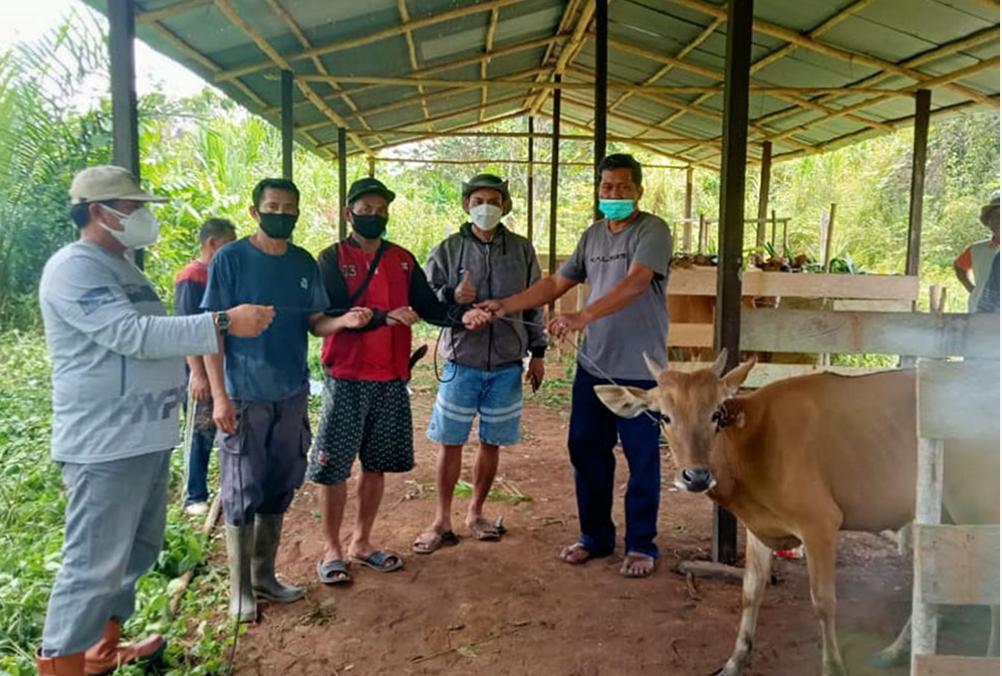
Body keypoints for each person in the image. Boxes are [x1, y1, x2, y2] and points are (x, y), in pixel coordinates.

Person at [35, 165, 274, 675]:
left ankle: (102, 650)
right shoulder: (75, 267)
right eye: (134, 207)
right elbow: (133, 335)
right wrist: (224, 321)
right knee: (92, 564)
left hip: (143, 436)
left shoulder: (124, 266)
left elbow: (151, 334)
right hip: (104, 442)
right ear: (100, 211)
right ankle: (62, 663)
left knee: (135, 551)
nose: (144, 217)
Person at [479, 153, 672, 578]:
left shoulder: (652, 230)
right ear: (599, 191)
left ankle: (641, 544)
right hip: (595, 365)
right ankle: (596, 536)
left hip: (643, 371)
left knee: (642, 458)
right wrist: (504, 305)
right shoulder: (592, 237)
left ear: (638, 189)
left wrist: (582, 317)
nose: (614, 194)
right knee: (586, 450)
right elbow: (555, 283)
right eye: (607, 187)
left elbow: (637, 281)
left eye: (623, 186)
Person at [201, 178, 372, 622]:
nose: (282, 213)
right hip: (244, 394)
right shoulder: (230, 260)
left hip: (292, 391)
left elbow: (315, 322)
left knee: (281, 481)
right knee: (242, 487)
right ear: (255, 212)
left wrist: (344, 322)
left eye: (289, 207)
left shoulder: (301, 262)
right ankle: (240, 591)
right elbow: (209, 330)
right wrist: (219, 396)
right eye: (273, 206)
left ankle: (264, 576)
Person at [307, 177, 490, 584]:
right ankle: (332, 549)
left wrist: (465, 316)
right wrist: (381, 316)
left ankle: (362, 542)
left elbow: (429, 307)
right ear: (348, 213)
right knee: (334, 467)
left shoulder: (403, 259)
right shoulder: (331, 258)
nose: (374, 216)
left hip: (391, 377)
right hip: (346, 375)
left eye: (380, 210)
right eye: (366, 210)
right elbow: (332, 313)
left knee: (376, 465)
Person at [413, 173, 547, 554]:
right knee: (450, 441)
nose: (485, 207)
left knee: (492, 441)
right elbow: (427, 302)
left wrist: (537, 353)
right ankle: (441, 519)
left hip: (507, 361)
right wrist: (453, 295)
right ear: (465, 206)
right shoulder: (449, 248)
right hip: (462, 360)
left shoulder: (522, 250)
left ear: (504, 205)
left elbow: (534, 301)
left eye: (493, 200)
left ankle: (476, 513)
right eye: (477, 201)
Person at [174, 217, 237, 515]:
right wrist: (197, 374)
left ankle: (229, 483)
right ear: (212, 244)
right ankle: (194, 494)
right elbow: (188, 328)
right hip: (200, 367)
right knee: (200, 431)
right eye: (227, 245)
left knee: (226, 424)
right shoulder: (192, 277)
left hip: (223, 365)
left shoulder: (218, 275)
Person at [954, 194, 999, 312]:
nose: (999, 221)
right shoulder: (976, 249)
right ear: (988, 222)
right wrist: (973, 289)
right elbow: (959, 267)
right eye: (995, 216)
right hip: (981, 312)